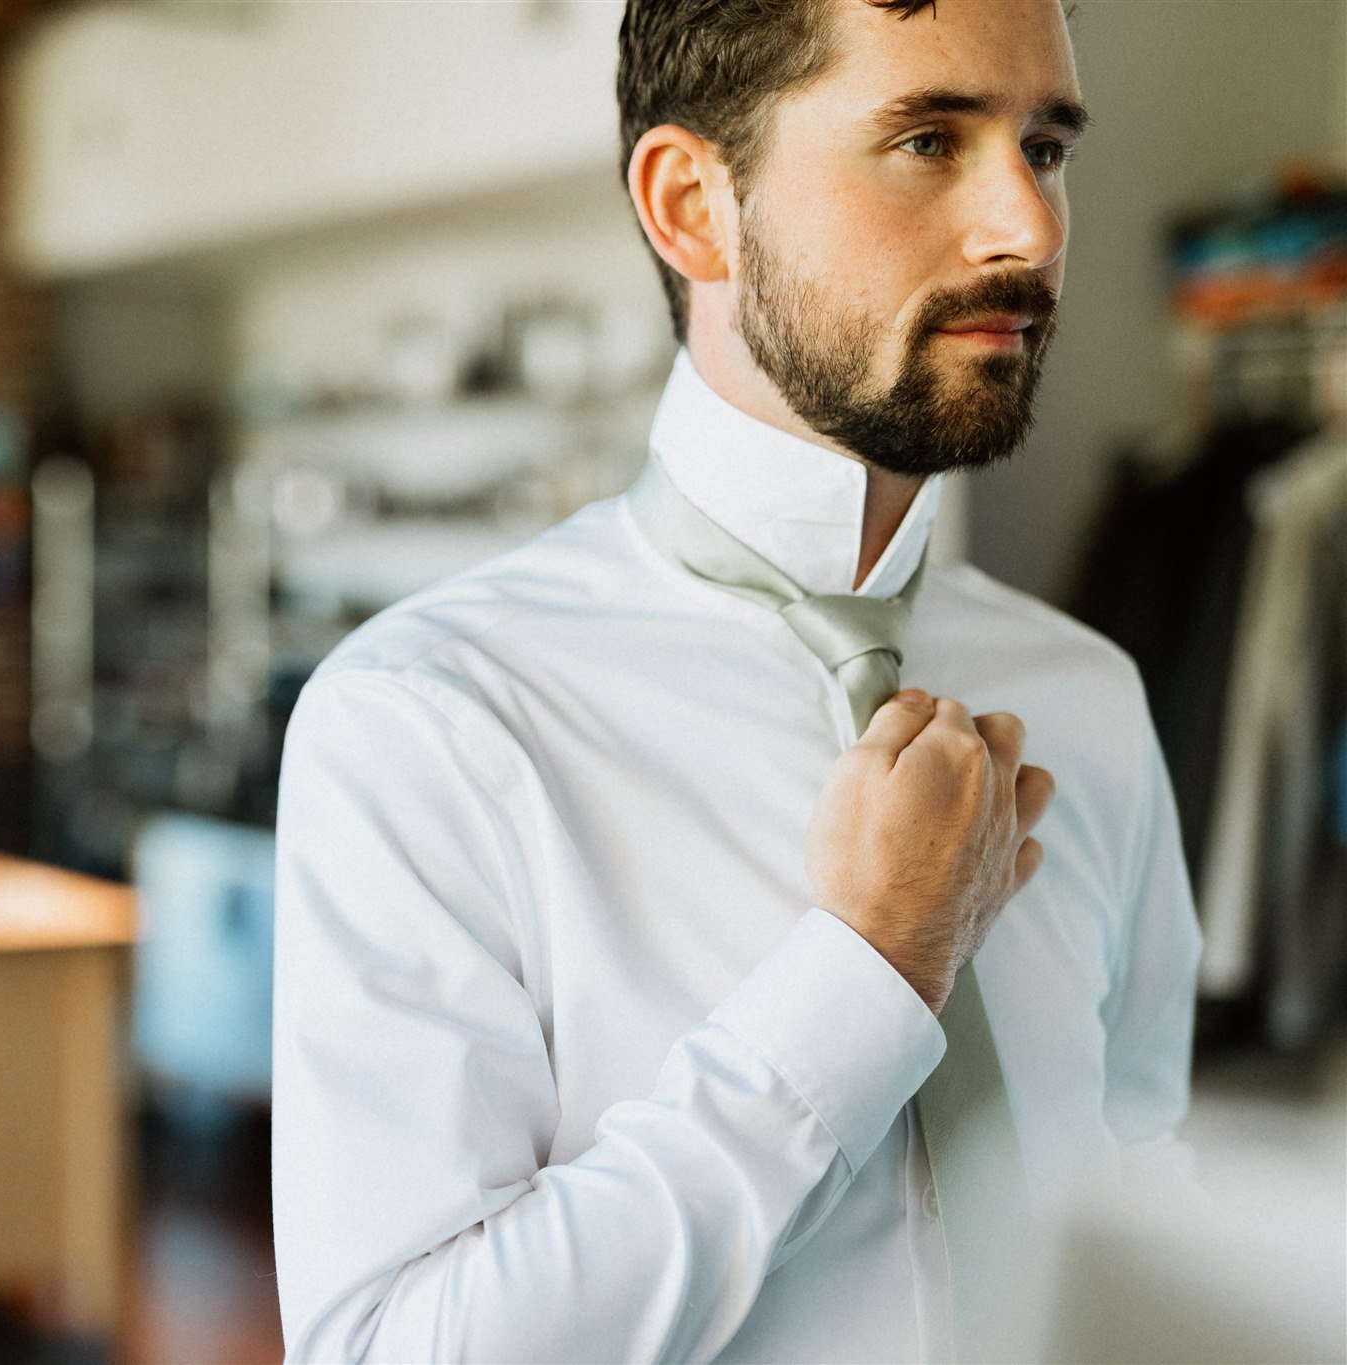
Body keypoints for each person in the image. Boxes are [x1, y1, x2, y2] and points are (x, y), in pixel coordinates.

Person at [270, 0, 1202, 1361]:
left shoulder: (1092, 693)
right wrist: (871, 967)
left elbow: (1140, 1172)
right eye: (931, 139)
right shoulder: (431, 718)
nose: (1030, 229)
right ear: (695, 205)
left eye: (1044, 147)